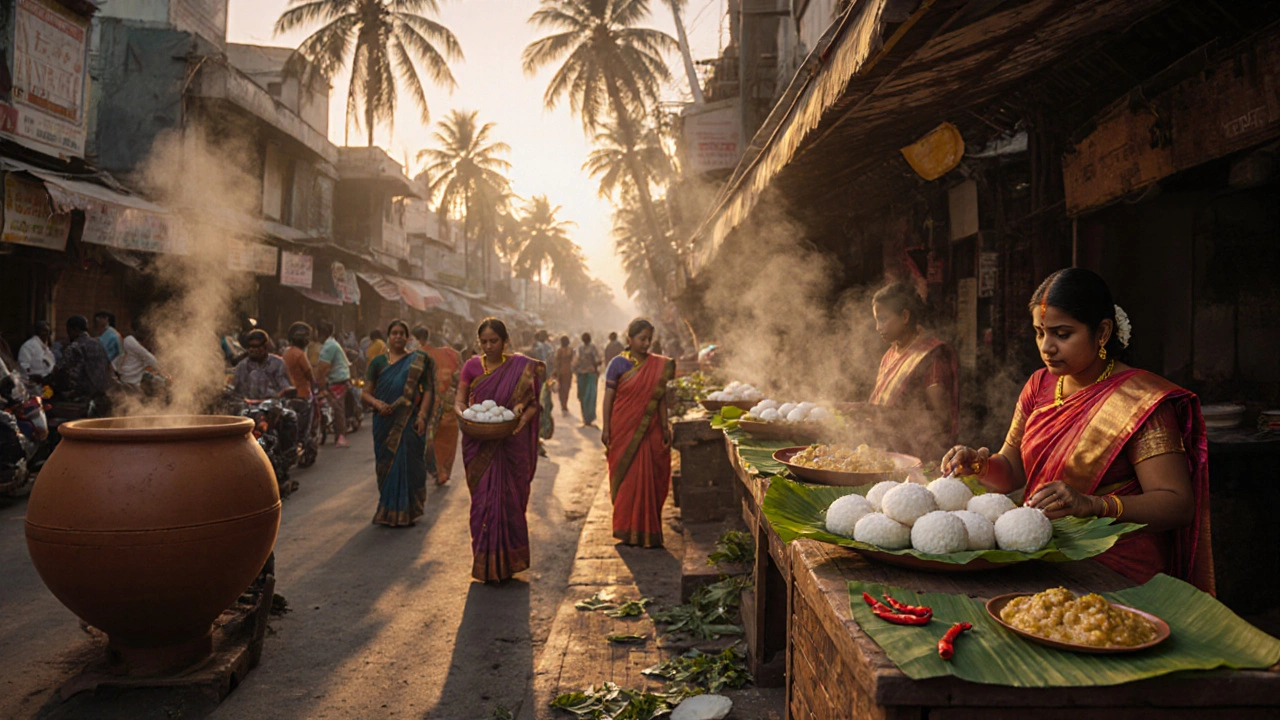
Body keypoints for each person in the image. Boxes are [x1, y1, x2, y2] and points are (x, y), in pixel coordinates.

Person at [941, 268, 1212, 592]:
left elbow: (1177, 504)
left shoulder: (1141, 402)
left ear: (1101, 332)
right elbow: (1013, 470)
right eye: (1040, 332)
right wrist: (978, 465)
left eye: (1062, 334)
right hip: (1040, 553)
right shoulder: (1039, 385)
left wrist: (1094, 505)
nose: (1047, 347)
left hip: (1118, 572)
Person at [454, 317, 544, 583]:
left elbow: (533, 404)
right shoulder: (471, 366)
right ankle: (485, 564)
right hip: (478, 441)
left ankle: (508, 563)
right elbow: (460, 399)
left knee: (510, 500)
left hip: (511, 442)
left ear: (505, 341)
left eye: (494, 341)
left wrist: (521, 420)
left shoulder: (521, 368)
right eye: (484, 341)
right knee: (482, 502)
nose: (489, 346)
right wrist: (462, 414)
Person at [602, 318, 674, 548]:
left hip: (650, 430)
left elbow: (660, 398)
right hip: (623, 428)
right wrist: (606, 427)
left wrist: (665, 425)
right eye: (641, 339)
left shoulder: (658, 365)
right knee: (626, 481)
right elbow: (609, 399)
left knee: (651, 479)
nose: (645, 344)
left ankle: (648, 531)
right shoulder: (618, 365)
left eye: (648, 340)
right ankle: (626, 528)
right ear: (629, 339)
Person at [867, 282, 959, 460]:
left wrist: (890, 419)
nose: (878, 327)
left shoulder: (931, 356)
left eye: (883, 319)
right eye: (877, 320)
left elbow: (940, 419)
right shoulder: (889, 355)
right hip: (884, 453)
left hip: (918, 458)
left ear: (905, 316)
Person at [362, 320, 437, 527]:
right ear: (388, 336)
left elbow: (428, 390)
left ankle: (409, 510)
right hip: (384, 422)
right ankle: (388, 510)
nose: (397, 336)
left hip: (409, 420)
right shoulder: (378, 362)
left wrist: (422, 416)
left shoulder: (419, 360)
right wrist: (377, 404)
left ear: (407, 337)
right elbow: (365, 393)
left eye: (401, 333)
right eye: (394, 333)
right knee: (386, 465)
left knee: (411, 463)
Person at [419, 326, 461, 485]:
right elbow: (461, 380)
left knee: (429, 438)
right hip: (449, 404)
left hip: (429, 404)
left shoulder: (423, 355)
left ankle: (434, 468)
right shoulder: (453, 355)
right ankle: (443, 472)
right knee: (448, 440)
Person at [49, 315, 114, 404]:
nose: (68, 335)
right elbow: (108, 366)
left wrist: (48, 378)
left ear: (74, 329)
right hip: (103, 393)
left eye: (69, 331)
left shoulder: (75, 346)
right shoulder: (98, 344)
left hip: (81, 396)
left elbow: (61, 370)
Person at [313, 319, 350, 448]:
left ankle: (341, 436)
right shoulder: (330, 344)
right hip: (338, 379)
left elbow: (323, 368)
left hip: (336, 380)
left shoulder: (328, 346)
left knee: (337, 408)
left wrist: (320, 385)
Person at [231, 330, 293, 399]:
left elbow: (284, 387)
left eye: (256, 346)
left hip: (273, 405)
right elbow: (237, 393)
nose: (252, 350)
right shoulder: (242, 366)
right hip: (248, 406)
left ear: (265, 346)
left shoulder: (278, 364)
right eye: (250, 346)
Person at [114, 322, 163, 392]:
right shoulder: (130, 341)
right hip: (124, 379)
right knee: (140, 396)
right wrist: (165, 370)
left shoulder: (137, 347)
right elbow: (152, 360)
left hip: (131, 379)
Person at [573, 332, 602, 426]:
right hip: (590, 374)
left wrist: (575, 369)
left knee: (582, 395)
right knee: (590, 396)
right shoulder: (593, 348)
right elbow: (597, 360)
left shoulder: (580, 349)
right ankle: (589, 418)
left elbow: (576, 361)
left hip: (581, 374)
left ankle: (585, 418)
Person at [553, 335, 574, 416]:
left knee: (561, 389)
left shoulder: (559, 350)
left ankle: (563, 404)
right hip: (568, 371)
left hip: (560, 371)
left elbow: (556, 361)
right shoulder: (570, 350)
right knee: (566, 388)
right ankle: (564, 404)